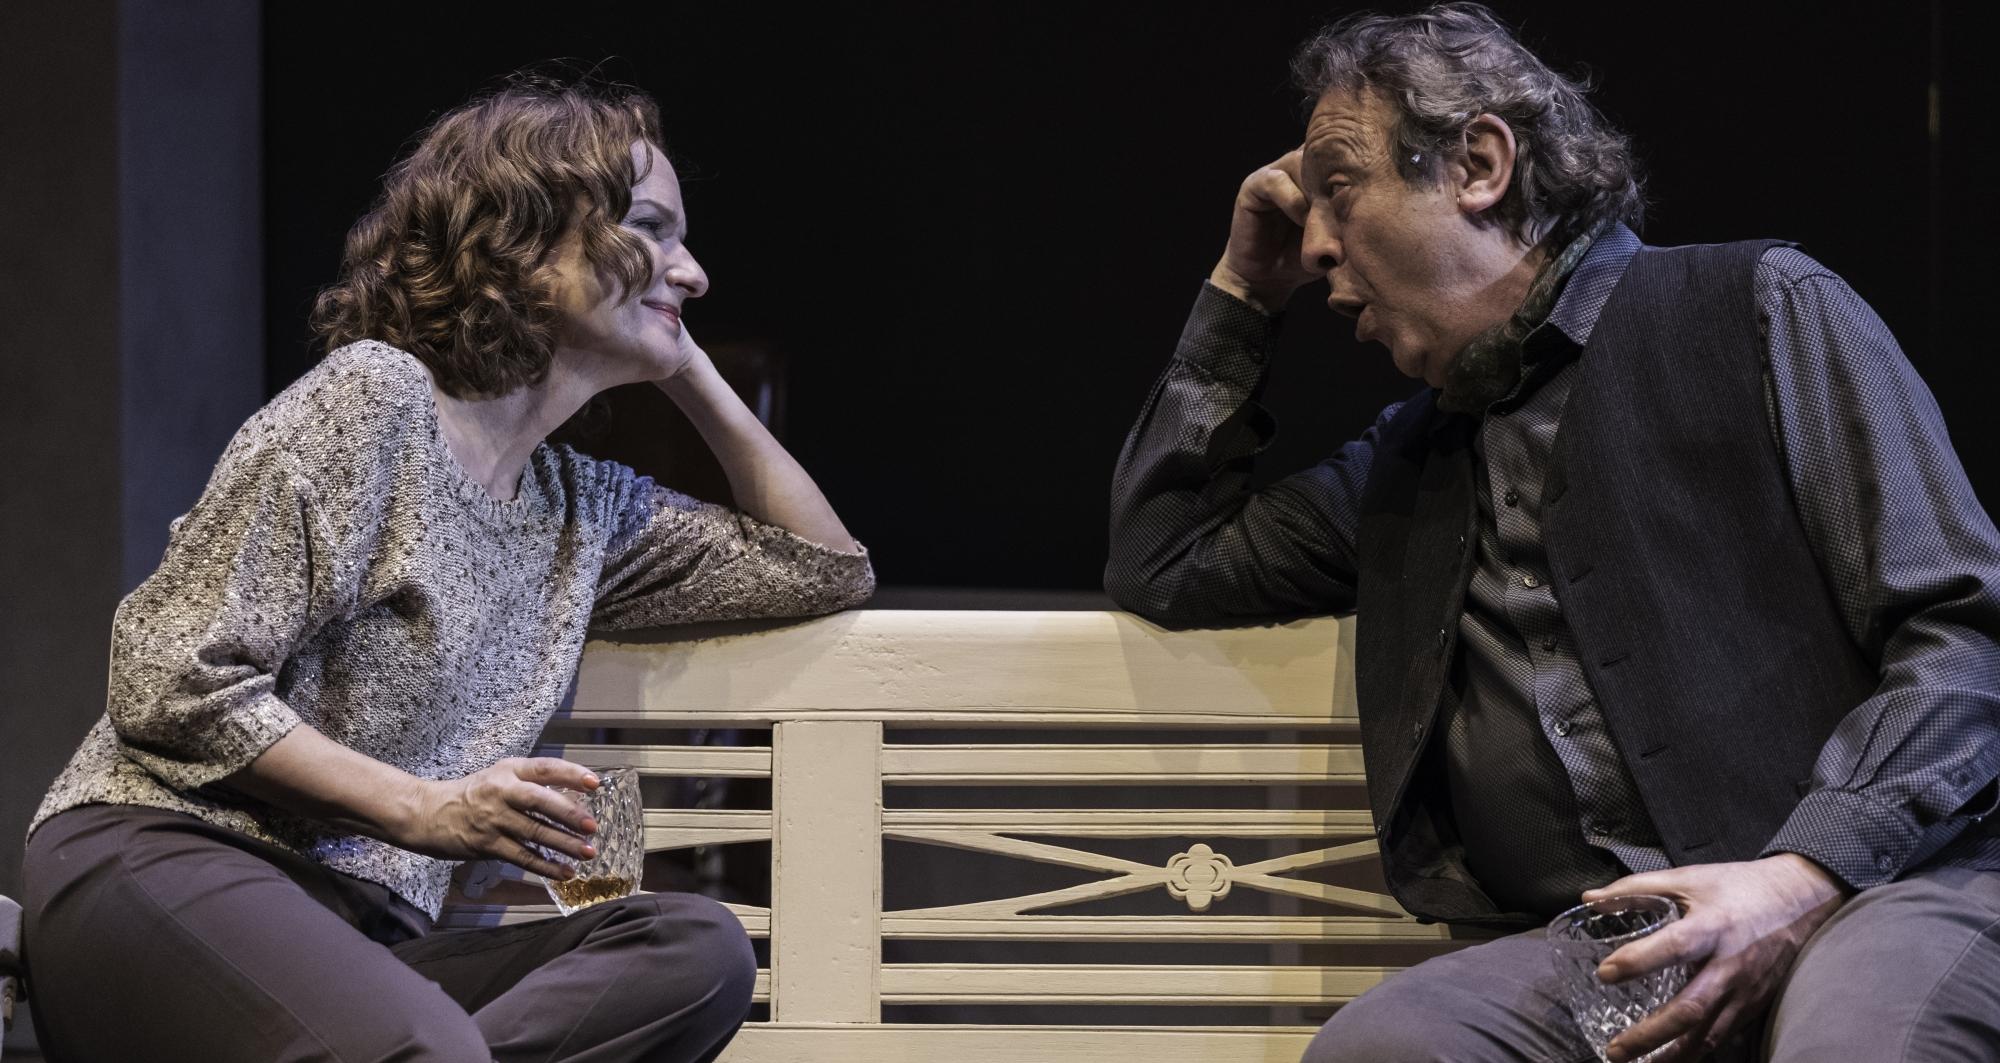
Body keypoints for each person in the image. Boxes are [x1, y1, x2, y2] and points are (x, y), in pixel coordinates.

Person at [1103, 5, 2000, 1061]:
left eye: (1339, 189)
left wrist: (1800, 873)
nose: (1315, 246)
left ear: (1479, 164)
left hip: (1875, 886)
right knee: (1384, 1048)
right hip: (1611, 943)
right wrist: (1242, 293)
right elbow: (1164, 559)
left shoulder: (1757, 308)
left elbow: (1966, 636)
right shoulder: (1404, 465)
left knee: (1854, 1040)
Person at [21, 77, 874, 1063]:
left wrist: (688, 366)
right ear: (522, 239)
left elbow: (822, 570)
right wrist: (426, 807)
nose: (694, 272)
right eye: (650, 229)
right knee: (426, 1043)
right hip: (170, 864)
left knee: (698, 950)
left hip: (364, 936)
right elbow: (165, 681)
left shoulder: (579, 510)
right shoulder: (377, 402)